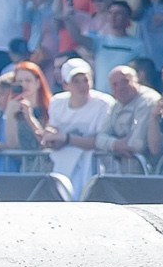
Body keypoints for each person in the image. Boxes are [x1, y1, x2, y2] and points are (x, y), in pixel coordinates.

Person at [41, 57, 111, 196]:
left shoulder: (104, 103)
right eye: (76, 81)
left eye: (86, 80)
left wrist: (65, 138)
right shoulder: (57, 102)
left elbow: (99, 141)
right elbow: (53, 131)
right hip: (62, 167)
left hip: (92, 168)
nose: (82, 85)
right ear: (65, 84)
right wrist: (51, 137)